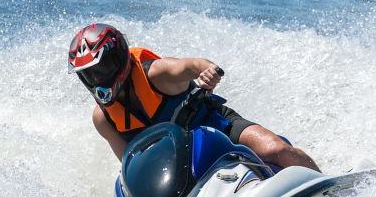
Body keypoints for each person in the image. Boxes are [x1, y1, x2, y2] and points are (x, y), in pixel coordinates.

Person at [67, 23, 320, 171]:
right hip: (176, 163)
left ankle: (326, 185)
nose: (97, 80)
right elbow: (131, 164)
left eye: (100, 69)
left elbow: (190, 65)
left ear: (118, 59)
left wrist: (207, 71)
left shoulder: (156, 73)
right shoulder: (103, 119)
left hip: (217, 127)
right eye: (88, 75)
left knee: (275, 150)